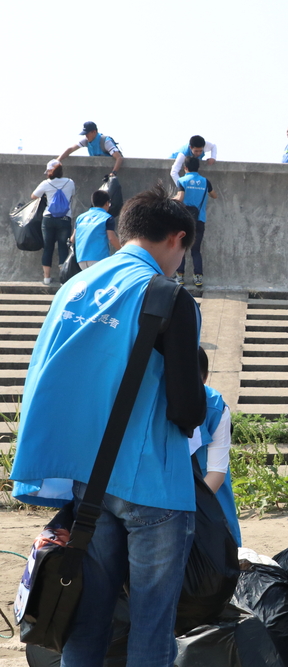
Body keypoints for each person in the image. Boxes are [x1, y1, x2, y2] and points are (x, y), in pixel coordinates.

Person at [10, 184, 205, 665]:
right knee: (151, 627)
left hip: (88, 485)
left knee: (88, 620)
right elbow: (186, 409)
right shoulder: (168, 296)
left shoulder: (75, 285)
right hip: (152, 486)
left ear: (122, 233)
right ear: (178, 239)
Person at [190, 346, 241, 545]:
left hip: (207, 498)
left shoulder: (215, 407)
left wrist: (182, 508)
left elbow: (217, 474)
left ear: (205, 378)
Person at [172, 156, 218, 288]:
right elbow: (214, 195)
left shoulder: (182, 180)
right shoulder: (205, 181)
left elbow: (180, 198)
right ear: (198, 168)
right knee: (196, 250)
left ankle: (180, 276)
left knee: (180, 248)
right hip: (199, 220)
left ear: (185, 168)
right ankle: (198, 278)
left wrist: (171, 199)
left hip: (184, 221)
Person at [30, 159, 76, 284]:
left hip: (48, 218)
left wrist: (46, 194)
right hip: (65, 218)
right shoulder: (70, 182)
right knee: (63, 247)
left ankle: (46, 278)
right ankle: (63, 279)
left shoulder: (46, 183)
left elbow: (33, 196)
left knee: (48, 247)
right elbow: (72, 195)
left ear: (50, 171)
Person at [71, 189, 121, 269]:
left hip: (81, 259)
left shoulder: (80, 218)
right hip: (98, 258)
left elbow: (73, 239)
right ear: (107, 203)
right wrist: (123, 250)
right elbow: (111, 238)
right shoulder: (107, 218)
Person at [57, 121, 124, 174]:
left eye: (87, 134)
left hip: (109, 171)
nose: (86, 136)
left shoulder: (105, 141)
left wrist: (113, 173)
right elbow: (71, 149)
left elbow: (119, 158)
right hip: (96, 171)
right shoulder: (86, 140)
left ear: (94, 132)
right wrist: (58, 160)